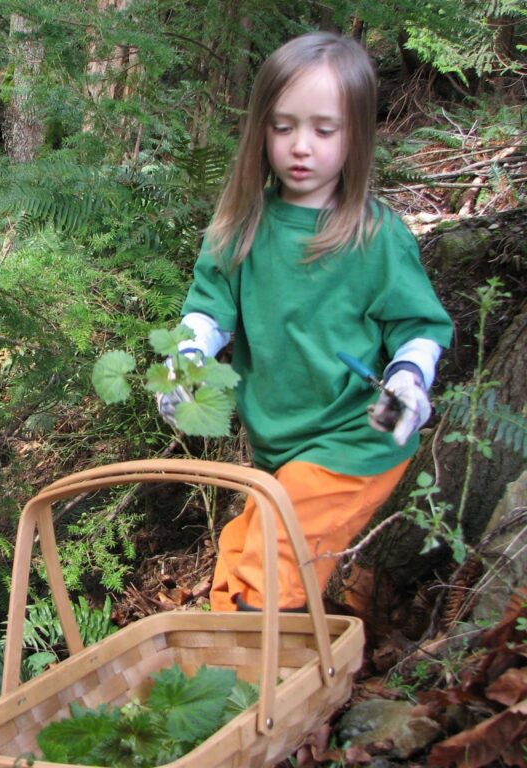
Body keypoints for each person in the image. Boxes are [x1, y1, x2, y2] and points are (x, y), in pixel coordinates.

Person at [157, 32, 452, 613]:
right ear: (261, 129)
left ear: (357, 134)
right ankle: (230, 668)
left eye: (324, 129)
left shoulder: (376, 234)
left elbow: (420, 325)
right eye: (284, 126)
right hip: (277, 447)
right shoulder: (241, 225)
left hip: (352, 440)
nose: (300, 146)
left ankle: (259, 689)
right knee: (236, 561)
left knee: (271, 574)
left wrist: (409, 379)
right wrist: (186, 361)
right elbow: (210, 310)